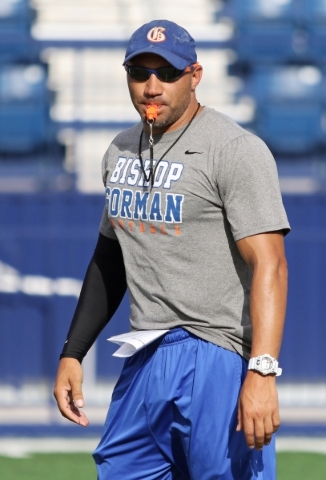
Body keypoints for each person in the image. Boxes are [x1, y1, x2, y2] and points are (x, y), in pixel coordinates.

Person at [54, 19, 290, 480]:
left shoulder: (235, 149)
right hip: (145, 352)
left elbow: (271, 264)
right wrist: (73, 352)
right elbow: (111, 257)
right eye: (140, 73)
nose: (152, 86)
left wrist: (262, 372)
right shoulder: (120, 150)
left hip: (216, 352)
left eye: (167, 72)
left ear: (195, 75)